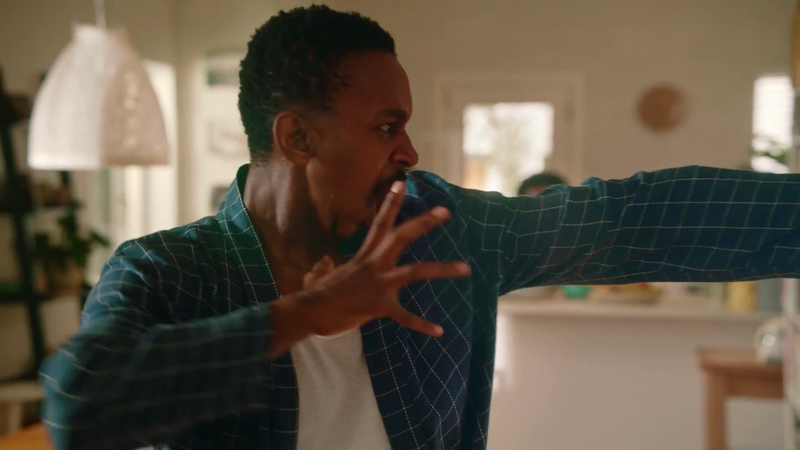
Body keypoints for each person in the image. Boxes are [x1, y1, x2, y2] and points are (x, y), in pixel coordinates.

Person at [40, 5, 800, 450]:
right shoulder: (169, 272)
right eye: (385, 126)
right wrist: (304, 315)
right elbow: (80, 405)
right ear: (298, 137)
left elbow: (631, 220)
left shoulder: (442, 231)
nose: (408, 151)